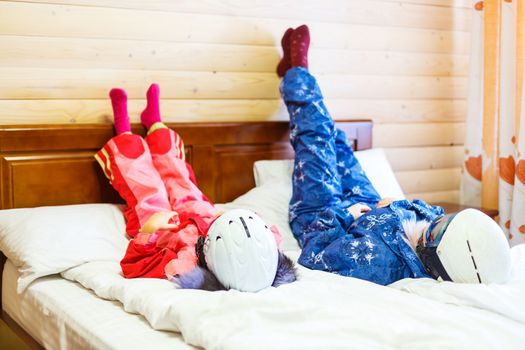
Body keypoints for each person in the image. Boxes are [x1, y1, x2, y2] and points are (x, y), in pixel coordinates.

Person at [278, 25, 511, 285]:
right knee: (339, 142)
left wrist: (346, 215)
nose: (436, 223)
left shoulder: (378, 265)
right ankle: (292, 75)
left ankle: (297, 68)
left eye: (436, 229)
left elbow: (314, 255)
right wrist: (398, 204)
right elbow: (433, 212)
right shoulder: (441, 236)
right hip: (369, 202)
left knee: (317, 138)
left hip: (322, 214)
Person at [95, 84, 296, 291]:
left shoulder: (186, 265)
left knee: (148, 189)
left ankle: (124, 129)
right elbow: (266, 232)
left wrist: (150, 228)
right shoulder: (262, 250)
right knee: (180, 180)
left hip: (165, 227)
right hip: (205, 216)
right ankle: (153, 122)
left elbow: (134, 266)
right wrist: (232, 218)